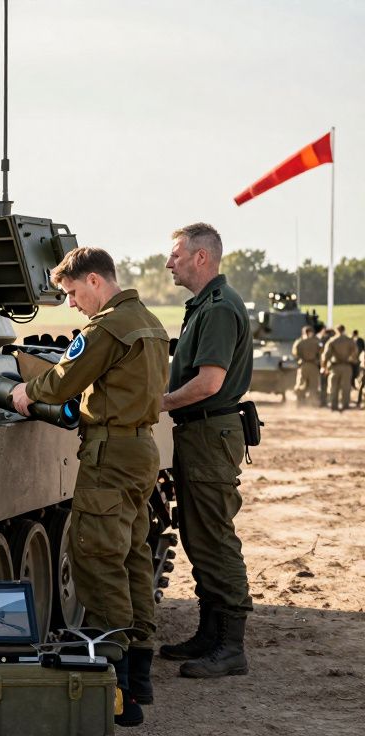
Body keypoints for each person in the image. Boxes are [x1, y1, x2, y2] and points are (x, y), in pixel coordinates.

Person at [8, 246, 168, 727]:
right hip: (140, 451)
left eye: (73, 293)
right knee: (133, 557)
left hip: (110, 454)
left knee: (97, 558)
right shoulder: (150, 322)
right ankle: (139, 675)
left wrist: (25, 392)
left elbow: (63, 382)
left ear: (95, 281)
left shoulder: (109, 327)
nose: (72, 304)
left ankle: (116, 686)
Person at [158, 223, 253, 679]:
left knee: (214, 537)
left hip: (209, 432)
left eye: (176, 254)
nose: (169, 262)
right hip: (200, 433)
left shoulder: (218, 308)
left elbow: (210, 383)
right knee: (198, 535)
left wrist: (159, 403)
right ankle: (210, 634)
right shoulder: (204, 306)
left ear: (201, 258)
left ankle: (231, 647)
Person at [322, 325, 359, 412]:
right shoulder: (350, 341)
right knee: (346, 387)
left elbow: (326, 355)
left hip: (335, 367)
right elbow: (355, 353)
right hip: (346, 366)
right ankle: (345, 405)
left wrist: (324, 367)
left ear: (336, 330)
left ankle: (333, 405)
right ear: (344, 330)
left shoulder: (332, 341)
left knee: (333, 387)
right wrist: (352, 360)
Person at [291, 325, 320, 406]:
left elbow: (295, 353)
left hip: (303, 365)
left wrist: (300, 359)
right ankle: (312, 403)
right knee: (313, 385)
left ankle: (299, 402)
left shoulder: (299, 342)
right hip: (313, 365)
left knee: (300, 384)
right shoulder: (316, 342)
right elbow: (321, 352)